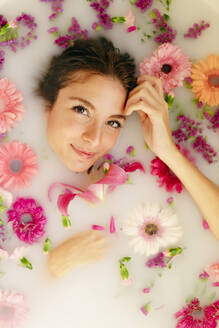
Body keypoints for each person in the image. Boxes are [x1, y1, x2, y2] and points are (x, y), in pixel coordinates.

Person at [36, 37, 219, 275]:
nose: (94, 138)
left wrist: (167, 151)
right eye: (82, 110)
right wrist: (52, 266)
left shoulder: (136, 186)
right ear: (47, 104)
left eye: (113, 122)